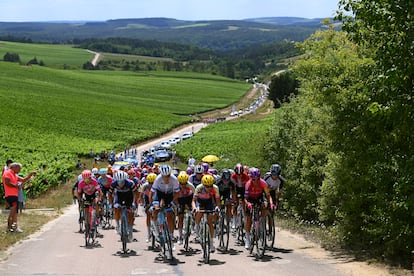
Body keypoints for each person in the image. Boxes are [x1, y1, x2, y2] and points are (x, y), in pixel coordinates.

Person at [2, 163, 37, 233]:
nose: (20, 170)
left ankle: (14, 227)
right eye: (19, 169)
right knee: (13, 212)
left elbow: (23, 180)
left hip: (14, 195)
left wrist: (30, 174)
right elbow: (7, 182)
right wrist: (16, 186)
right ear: (14, 167)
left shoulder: (14, 175)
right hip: (10, 195)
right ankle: (9, 228)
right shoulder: (8, 172)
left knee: (15, 212)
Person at [243, 167, 273, 249]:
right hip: (250, 199)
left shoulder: (263, 183)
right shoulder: (248, 184)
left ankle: (261, 225)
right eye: (253, 179)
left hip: (259, 197)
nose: (255, 181)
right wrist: (248, 203)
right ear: (250, 178)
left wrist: (270, 203)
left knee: (264, 207)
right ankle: (248, 238)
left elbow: (268, 195)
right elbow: (245, 198)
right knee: (248, 218)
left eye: (257, 179)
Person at [149, 164, 180, 244]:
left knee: (170, 214)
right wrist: (151, 204)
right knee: (156, 209)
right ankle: (155, 228)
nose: (166, 178)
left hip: (169, 194)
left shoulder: (174, 179)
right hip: (159, 193)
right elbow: (152, 192)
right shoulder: (158, 179)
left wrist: (172, 202)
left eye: (168, 176)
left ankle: (170, 234)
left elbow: (177, 193)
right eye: (164, 176)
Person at [192, 174, 221, 253]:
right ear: (203, 185)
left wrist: (217, 207)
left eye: (210, 186)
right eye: (207, 186)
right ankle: (197, 227)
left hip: (209, 201)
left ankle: (211, 243)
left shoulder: (215, 188)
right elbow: (194, 201)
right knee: (199, 212)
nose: (209, 188)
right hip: (200, 201)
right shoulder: (199, 188)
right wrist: (194, 208)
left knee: (210, 221)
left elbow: (217, 200)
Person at [109, 170, 137, 242]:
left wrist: (134, 202)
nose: (120, 183)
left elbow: (136, 193)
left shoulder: (130, 183)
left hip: (129, 197)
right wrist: (110, 204)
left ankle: (130, 230)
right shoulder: (114, 183)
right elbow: (110, 194)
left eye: (122, 182)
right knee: (117, 208)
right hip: (119, 197)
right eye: (119, 182)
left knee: (130, 213)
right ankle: (117, 225)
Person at [176, 171, 195, 245]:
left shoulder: (190, 185)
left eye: (185, 183)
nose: (183, 185)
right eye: (181, 183)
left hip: (188, 198)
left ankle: (192, 224)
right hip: (180, 199)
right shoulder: (176, 185)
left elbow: (195, 194)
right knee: (180, 217)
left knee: (193, 211)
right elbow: (174, 196)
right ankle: (180, 236)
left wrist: (194, 206)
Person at [139, 172, 157, 242]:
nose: (151, 184)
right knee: (148, 215)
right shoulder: (145, 186)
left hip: (156, 198)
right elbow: (141, 195)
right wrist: (143, 202)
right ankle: (149, 233)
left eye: (153, 183)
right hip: (147, 199)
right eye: (150, 183)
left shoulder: (158, 185)